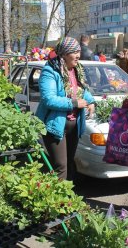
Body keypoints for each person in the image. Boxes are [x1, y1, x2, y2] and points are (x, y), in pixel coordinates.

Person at [36, 37, 95, 180]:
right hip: (55, 125)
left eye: (79, 52)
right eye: (74, 52)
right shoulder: (50, 71)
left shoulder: (76, 70)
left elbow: (82, 90)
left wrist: (90, 101)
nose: (78, 56)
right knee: (60, 167)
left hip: (73, 126)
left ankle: (68, 200)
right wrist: (74, 103)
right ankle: (56, 201)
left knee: (69, 164)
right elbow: (48, 99)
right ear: (64, 54)